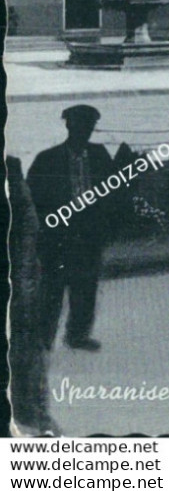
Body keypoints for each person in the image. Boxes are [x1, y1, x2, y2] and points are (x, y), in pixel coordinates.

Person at [27, 105, 116, 352]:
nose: (84, 132)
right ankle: (43, 340)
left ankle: (77, 336)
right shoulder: (46, 159)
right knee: (51, 290)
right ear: (68, 126)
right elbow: (33, 199)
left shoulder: (100, 155)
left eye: (88, 127)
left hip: (88, 236)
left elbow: (112, 192)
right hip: (57, 237)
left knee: (86, 289)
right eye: (79, 126)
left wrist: (103, 227)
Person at [8, 156, 59, 435]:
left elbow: (28, 228)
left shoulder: (10, 170)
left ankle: (37, 420)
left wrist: (24, 284)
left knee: (28, 352)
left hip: (18, 284)